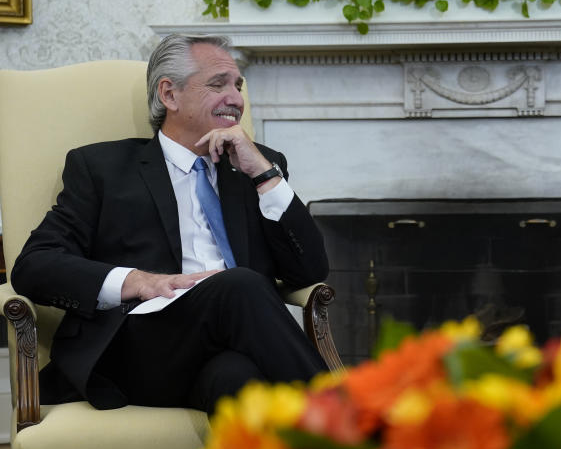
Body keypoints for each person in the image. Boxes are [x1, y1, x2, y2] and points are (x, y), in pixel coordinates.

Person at [11, 33, 331, 415]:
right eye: (218, 84)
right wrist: (136, 281)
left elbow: (309, 271)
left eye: (238, 85)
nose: (236, 99)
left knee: (237, 380)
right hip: (140, 348)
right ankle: (352, 431)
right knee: (240, 283)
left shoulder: (256, 167)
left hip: (223, 347)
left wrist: (264, 173)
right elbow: (34, 265)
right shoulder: (103, 169)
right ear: (169, 95)